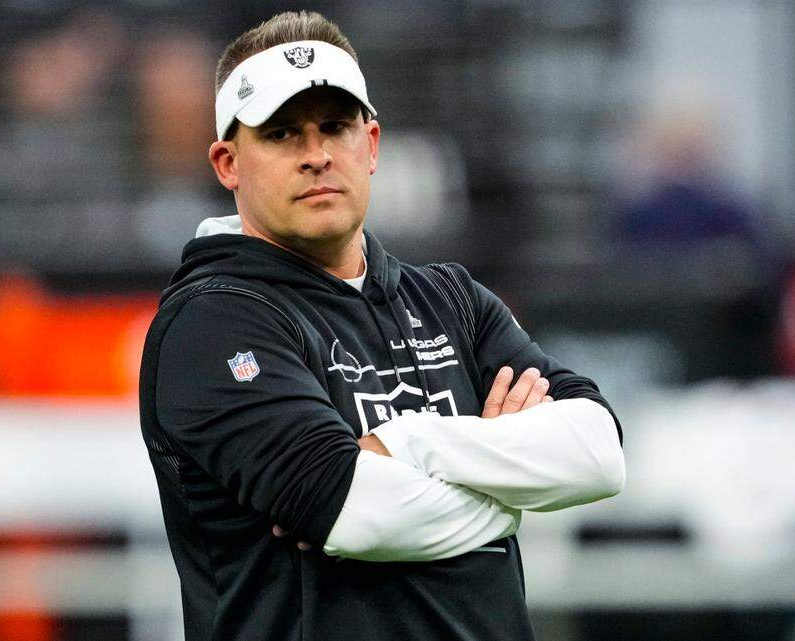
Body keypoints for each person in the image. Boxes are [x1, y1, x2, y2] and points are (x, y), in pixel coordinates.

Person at [137, 10, 625, 641]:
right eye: (282, 134)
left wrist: (413, 444)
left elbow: (599, 454)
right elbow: (357, 513)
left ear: (370, 145)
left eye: (335, 127)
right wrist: (510, 493)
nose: (316, 156)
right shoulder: (213, 321)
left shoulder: (451, 298)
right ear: (228, 163)